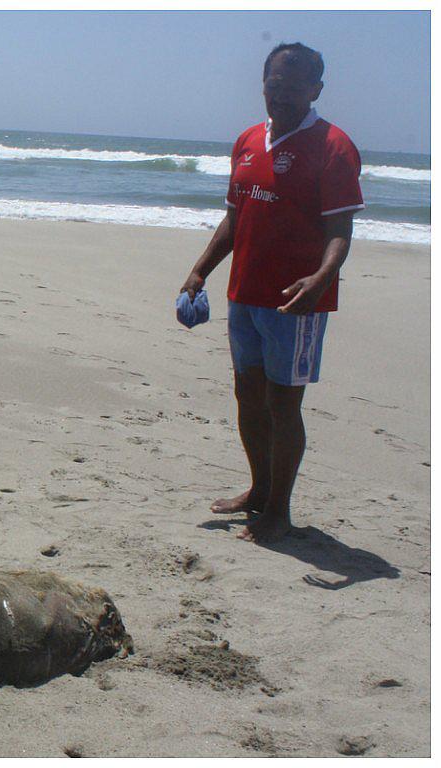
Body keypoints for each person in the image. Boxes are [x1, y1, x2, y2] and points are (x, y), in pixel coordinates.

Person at [180, 43, 364, 543]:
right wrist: (200, 271)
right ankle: (259, 491)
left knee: (284, 405)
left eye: (294, 85)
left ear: (316, 90)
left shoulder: (333, 146)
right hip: (245, 296)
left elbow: (340, 229)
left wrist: (321, 279)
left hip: (296, 302)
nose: (280, 94)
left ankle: (279, 513)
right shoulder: (246, 140)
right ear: (264, 85)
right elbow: (236, 217)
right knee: (247, 396)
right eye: (273, 84)